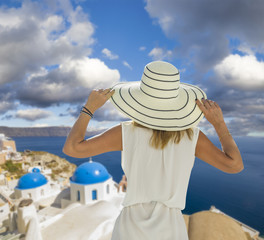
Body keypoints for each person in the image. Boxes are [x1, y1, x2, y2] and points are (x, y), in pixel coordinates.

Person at [63, 61, 244, 240]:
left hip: (130, 228)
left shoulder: (126, 133)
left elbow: (72, 148)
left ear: (141, 98)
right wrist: (219, 124)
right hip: (171, 229)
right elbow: (234, 165)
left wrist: (89, 108)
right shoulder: (192, 137)